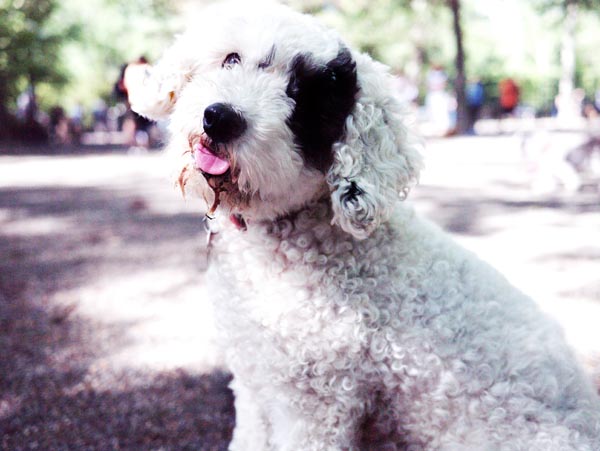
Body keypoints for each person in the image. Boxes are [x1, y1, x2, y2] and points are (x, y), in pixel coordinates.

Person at [115, 56, 155, 149]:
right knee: (142, 122)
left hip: (134, 100)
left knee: (137, 122)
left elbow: (125, 84)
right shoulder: (146, 68)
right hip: (144, 100)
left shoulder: (131, 69)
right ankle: (141, 142)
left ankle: (139, 142)